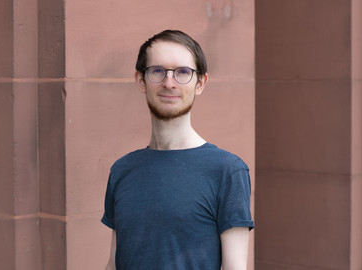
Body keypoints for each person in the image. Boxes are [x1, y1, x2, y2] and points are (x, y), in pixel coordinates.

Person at [101, 29, 254, 270]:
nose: (169, 82)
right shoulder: (122, 170)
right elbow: (114, 263)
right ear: (141, 80)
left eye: (182, 72)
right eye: (157, 71)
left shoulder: (227, 171)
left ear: (200, 83)